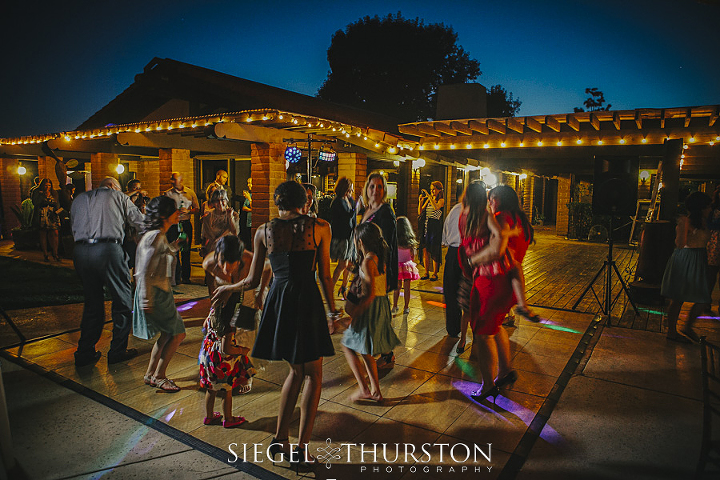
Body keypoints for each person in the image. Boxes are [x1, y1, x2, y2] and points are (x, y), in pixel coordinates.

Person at [212, 181, 338, 471]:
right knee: (313, 375)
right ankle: (301, 450)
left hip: (280, 300)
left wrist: (229, 287)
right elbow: (325, 275)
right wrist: (332, 312)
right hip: (305, 299)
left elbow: (253, 280)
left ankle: (280, 438)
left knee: (296, 370)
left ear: (277, 202)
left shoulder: (263, 231)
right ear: (303, 200)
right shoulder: (320, 226)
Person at [70, 177, 144, 367]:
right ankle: (117, 351)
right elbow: (140, 222)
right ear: (112, 187)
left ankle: (85, 352)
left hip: (80, 250)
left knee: (92, 303)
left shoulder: (79, 199)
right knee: (122, 301)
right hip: (108, 249)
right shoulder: (118, 196)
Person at [458, 181, 517, 402]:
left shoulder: (463, 216)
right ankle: (505, 371)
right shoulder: (485, 214)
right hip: (496, 273)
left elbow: (463, 246)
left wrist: (473, 260)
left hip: (483, 276)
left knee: (482, 334)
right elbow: (499, 235)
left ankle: (488, 385)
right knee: (495, 324)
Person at [132, 196, 187, 392]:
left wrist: (176, 246)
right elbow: (144, 270)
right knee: (177, 333)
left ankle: (151, 374)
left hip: (159, 291)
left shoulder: (156, 236)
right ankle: (160, 376)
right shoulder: (155, 236)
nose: (178, 212)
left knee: (167, 334)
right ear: (165, 215)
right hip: (157, 292)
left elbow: (159, 257)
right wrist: (147, 299)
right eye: (174, 210)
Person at [200, 235, 255, 427]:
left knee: (211, 390)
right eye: (223, 263)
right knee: (227, 392)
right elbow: (226, 350)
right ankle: (229, 419)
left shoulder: (213, 319)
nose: (227, 270)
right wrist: (241, 351)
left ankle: (209, 416)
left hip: (208, 364)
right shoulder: (229, 326)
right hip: (222, 366)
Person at [342, 222, 401, 402]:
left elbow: (370, 293)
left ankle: (367, 389)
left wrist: (357, 312)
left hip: (371, 307)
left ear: (360, 241)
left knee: (349, 346)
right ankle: (373, 390)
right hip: (379, 305)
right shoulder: (376, 257)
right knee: (364, 351)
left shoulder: (368, 261)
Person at [661, 191, 712, 343]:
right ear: (701, 207)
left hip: (699, 258)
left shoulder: (705, 221)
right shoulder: (686, 221)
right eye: (708, 206)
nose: (710, 209)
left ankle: (687, 327)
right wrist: (683, 228)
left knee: (703, 299)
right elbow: (680, 244)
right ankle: (672, 331)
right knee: (678, 298)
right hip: (686, 258)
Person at [360, 172, 398, 368]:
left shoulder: (385, 212)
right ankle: (381, 349)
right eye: (372, 186)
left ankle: (387, 352)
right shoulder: (366, 210)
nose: (375, 190)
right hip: (365, 266)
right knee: (372, 311)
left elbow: (387, 244)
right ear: (367, 189)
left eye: (379, 187)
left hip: (378, 269)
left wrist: (382, 272)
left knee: (379, 310)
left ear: (384, 190)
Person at [489, 185, 540, 323]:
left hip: (498, 278)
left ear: (498, 199)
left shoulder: (501, 217)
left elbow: (497, 247)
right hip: (513, 284)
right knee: (495, 329)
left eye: (491, 199)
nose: (490, 204)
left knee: (487, 330)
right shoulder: (521, 220)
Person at [164, 172, 200, 284]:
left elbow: (197, 209)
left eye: (175, 179)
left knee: (186, 250)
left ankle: (186, 277)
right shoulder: (168, 194)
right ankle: (175, 277)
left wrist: (188, 211)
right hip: (174, 225)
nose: (173, 182)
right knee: (174, 250)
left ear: (181, 180)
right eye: (172, 179)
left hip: (185, 223)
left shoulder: (189, 193)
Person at [329, 177, 356, 299]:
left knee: (350, 264)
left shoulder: (349, 200)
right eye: (351, 188)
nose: (352, 190)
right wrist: (356, 208)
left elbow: (353, 217)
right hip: (341, 237)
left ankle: (344, 288)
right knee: (342, 264)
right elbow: (346, 217)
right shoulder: (338, 201)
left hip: (350, 236)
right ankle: (330, 289)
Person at [442, 200, 464, 341]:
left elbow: (445, 230)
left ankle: (453, 328)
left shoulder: (456, 208)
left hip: (452, 252)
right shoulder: (481, 210)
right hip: (469, 252)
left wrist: (445, 241)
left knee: (451, 292)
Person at [392, 216, 420, 315]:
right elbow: (414, 254)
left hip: (398, 265)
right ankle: (406, 307)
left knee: (397, 286)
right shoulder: (410, 241)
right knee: (407, 287)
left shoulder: (395, 241)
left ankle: (395, 306)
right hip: (408, 265)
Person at [418, 181, 445, 280]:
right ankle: (426, 272)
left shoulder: (441, 200)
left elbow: (436, 207)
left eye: (434, 189)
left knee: (434, 250)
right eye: (431, 189)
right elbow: (420, 212)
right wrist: (421, 201)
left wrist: (429, 197)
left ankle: (435, 273)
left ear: (439, 190)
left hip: (434, 227)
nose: (432, 191)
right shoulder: (429, 200)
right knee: (425, 250)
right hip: (426, 225)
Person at [32, 178, 61, 261]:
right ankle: (45, 254)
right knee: (43, 233)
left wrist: (57, 211)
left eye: (49, 185)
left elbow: (57, 203)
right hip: (42, 214)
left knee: (55, 233)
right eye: (45, 185)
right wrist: (43, 198)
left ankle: (55, 253)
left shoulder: (54, 193)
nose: (47, 187)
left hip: (52, 214)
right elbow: (35, 202)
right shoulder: (37, 192)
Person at [706, 186, 720, 314]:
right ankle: (706, 302)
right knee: (711, 273)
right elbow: (708, 223)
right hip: (715, 241)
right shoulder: (713, 208)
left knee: (712, 273)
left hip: (715, 241)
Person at [241, 178, 253, 250]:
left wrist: (249, 199)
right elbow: (244, 207)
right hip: (248, 221)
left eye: (250, 183)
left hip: (253, 222)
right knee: (248, 240)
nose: (248, 185)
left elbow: (255, 207)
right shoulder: (249, 194)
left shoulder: (254, 195)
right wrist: (251, 210)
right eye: (248, 183)